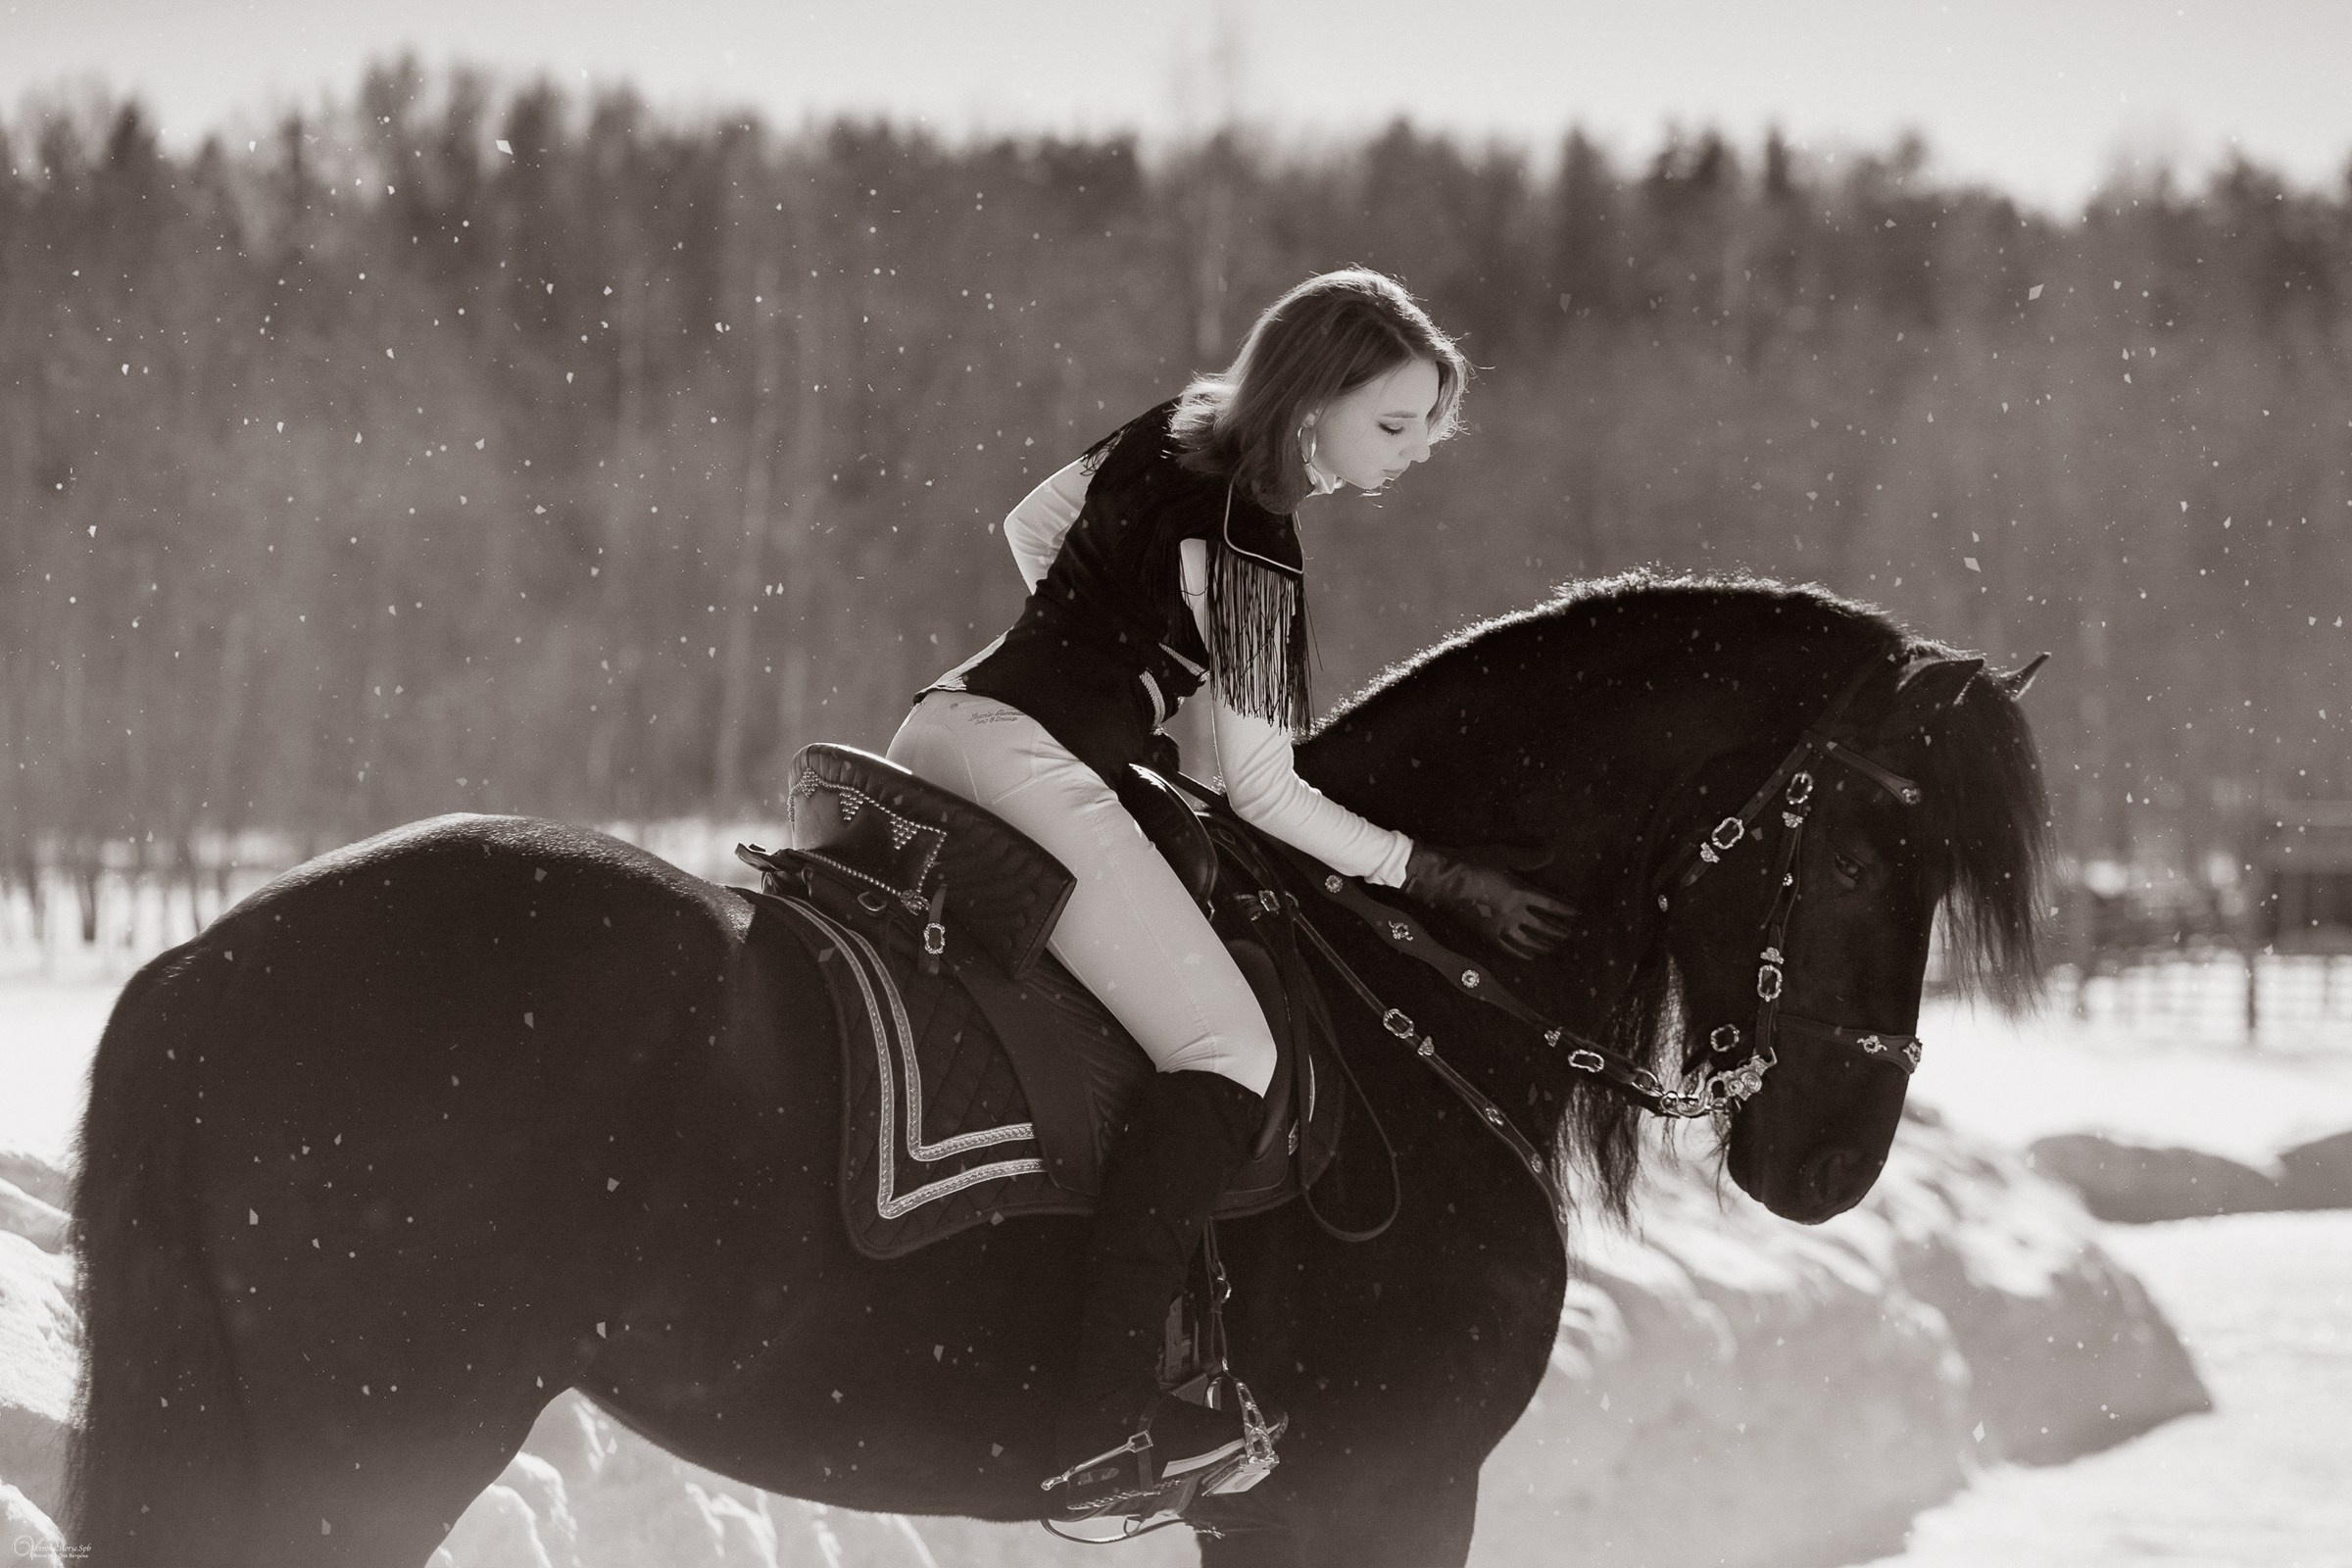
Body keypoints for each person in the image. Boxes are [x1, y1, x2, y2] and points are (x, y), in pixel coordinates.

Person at [885, 269, 1576, 1506]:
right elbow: (1262, 792)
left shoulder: (1175, 426)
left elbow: (1033, 524)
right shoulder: (1258, 540)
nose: (1415, 451)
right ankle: (1107, 1419)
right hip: (1032, 765)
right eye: (1394, 422)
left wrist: (1122, 648)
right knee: (1229, 1051)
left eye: (1427, 426)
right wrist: (1428, 868)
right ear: (1315, 398)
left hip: (944, 725)